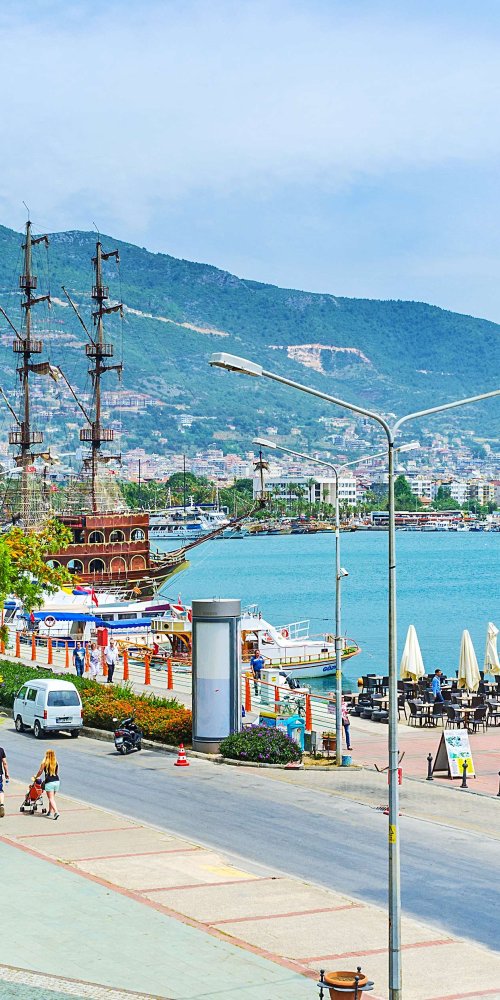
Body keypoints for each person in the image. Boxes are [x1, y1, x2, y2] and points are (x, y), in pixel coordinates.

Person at [35, 749, 60, 820]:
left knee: (51, 798)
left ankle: (56, 812)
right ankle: (49, 811)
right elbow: (57, 772)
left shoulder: (45, 762)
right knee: (52, 798)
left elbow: (40, 771)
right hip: (57, 781)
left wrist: (36, 777)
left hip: (49, 782)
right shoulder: (56, 762)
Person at [0, 745, 10, 818]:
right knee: (0, 790)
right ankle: (2, 804)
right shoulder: (1, 750)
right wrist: (6, 773)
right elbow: (5, 763)